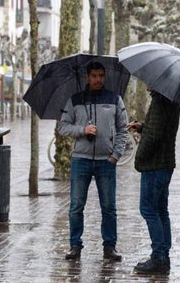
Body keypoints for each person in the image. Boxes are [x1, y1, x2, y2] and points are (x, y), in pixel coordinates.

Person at [58, 61, 129, 261]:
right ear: (87, 77)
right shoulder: (75, 100)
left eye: (101, 76)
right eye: (94, 76)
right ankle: (75, 245)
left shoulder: (114, 99)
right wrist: (83, 130)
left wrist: (116, 155)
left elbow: (123, 129)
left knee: (108, 207)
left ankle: (109, 247)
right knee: (76, 206)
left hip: (106, 161)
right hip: (81, 160)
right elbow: (63, 127)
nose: (98, 79)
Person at [126, 89, 180, 275]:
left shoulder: (159, 102)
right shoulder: (171, 99)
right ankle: (164, 255)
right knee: (160, 210)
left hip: (155, 165)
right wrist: (141, 127)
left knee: (149, 210)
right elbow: (159, 129)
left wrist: (139, 157)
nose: (146, 84)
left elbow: (155, 136)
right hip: (165, 164)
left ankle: (158, 257)